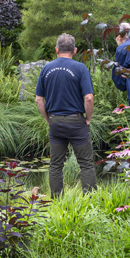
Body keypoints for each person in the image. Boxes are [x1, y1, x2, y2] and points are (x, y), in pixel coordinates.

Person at [35, 33, 96, 197]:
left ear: (57, 50)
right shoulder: (80, 68)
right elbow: (89, 98)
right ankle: (90, 201)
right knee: (86, 164)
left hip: (55, 122)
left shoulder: (46, 68)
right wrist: (88, 119)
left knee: (55, 165)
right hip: (76, 122)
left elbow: (39, 99)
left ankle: (57, 202)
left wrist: (49, 120)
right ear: (75, 50)